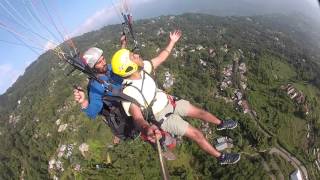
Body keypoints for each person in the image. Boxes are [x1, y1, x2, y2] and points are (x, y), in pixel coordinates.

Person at [110, 30, 241, 165]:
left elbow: (161, 57)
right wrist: (146, 128)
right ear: (130, 67)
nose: (137, 55)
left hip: (170, 101)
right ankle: (221, 157)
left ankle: (221, 124)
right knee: (197, 134)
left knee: (201, 112)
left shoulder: (143, 70)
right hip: (161, 117)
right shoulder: (129, 93)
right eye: (133, 56)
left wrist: (171, 42)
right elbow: (138, 118)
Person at [73, 35, 129, 143]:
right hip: (123, 110)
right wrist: (83, 101)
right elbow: (92, 111)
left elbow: (119, 64)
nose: (103, 62)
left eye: (103, 59)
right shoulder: (95, 86)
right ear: (93, 67)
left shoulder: (108, 67)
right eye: (99, 62)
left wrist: (123, 44)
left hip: (128, 95)